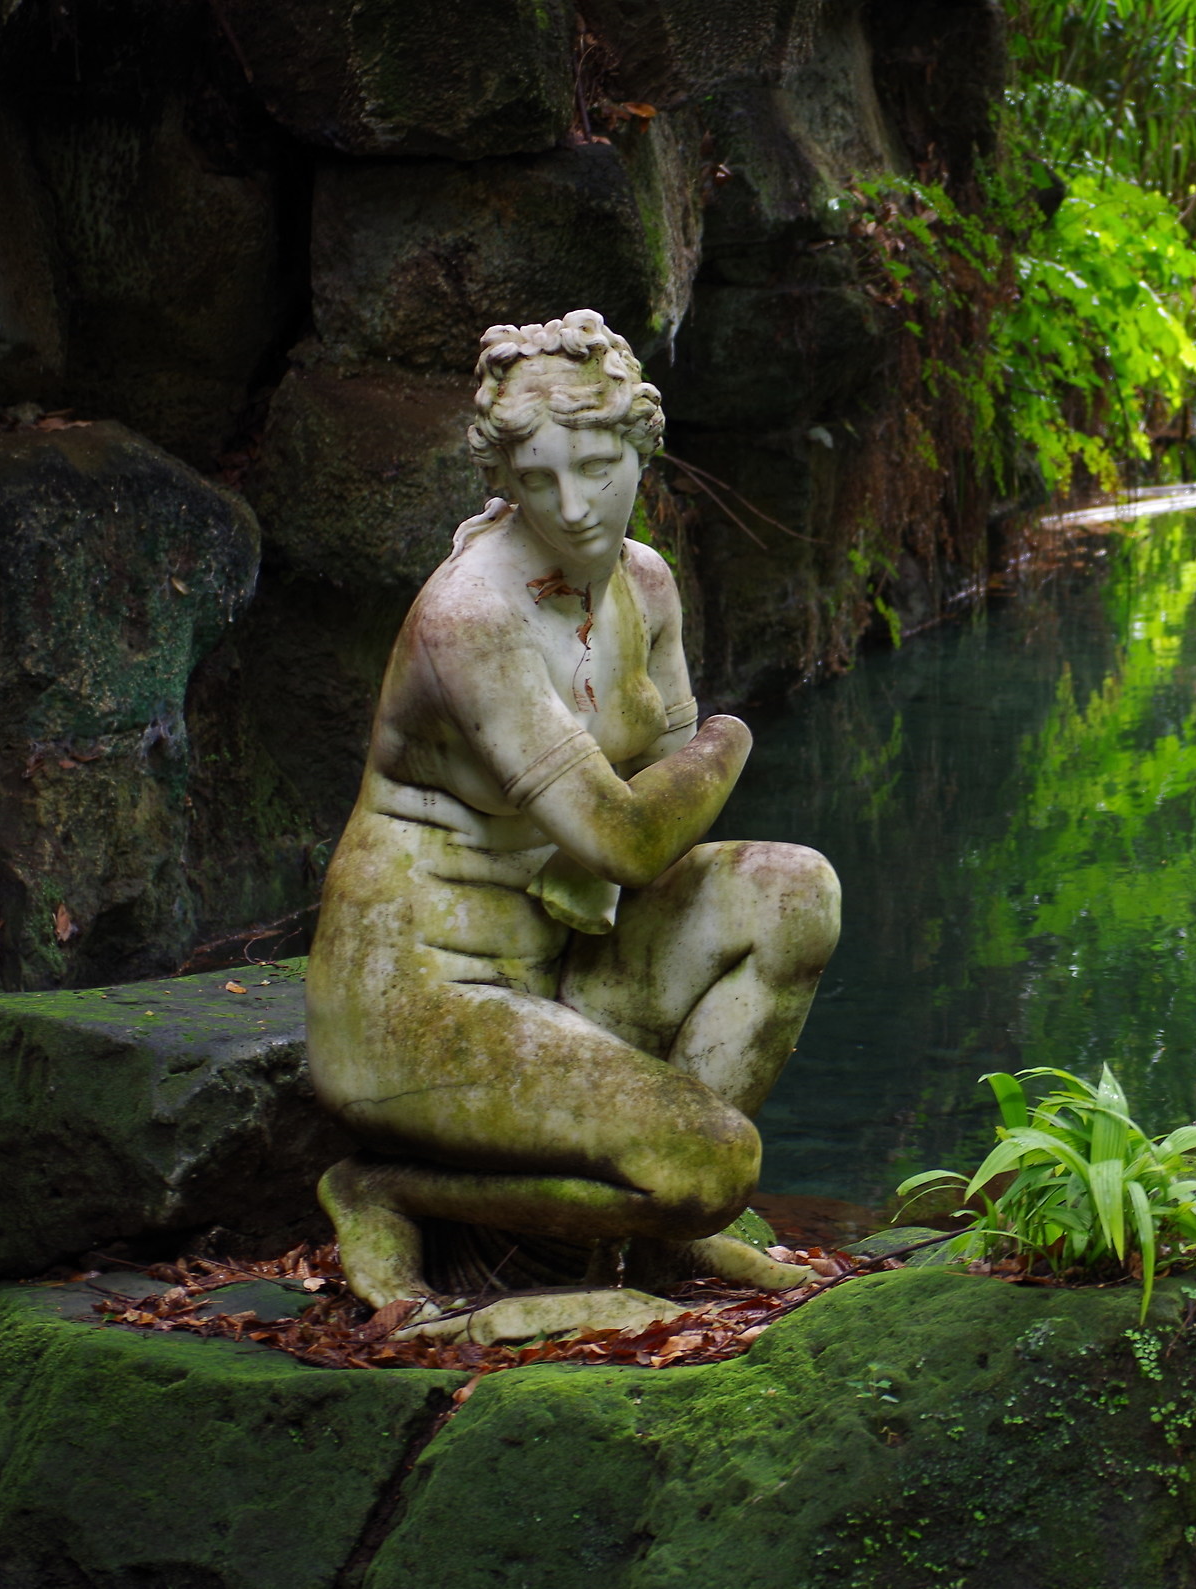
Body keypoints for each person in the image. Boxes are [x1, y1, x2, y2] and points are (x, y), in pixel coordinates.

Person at [305, 309, 840, 1342]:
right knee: (711, 1162)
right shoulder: (472, 615)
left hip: (561, 952)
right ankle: (393, 1190)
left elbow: (659, 803)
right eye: (538, 480)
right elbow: (632, 836)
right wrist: (730, 737)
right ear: (504, 479)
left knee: (795, 891)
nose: (575, 505)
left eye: (598, 468)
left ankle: (665, 1223)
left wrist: (683, 768)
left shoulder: (646, 583)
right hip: (421, 994)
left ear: (641, 449)